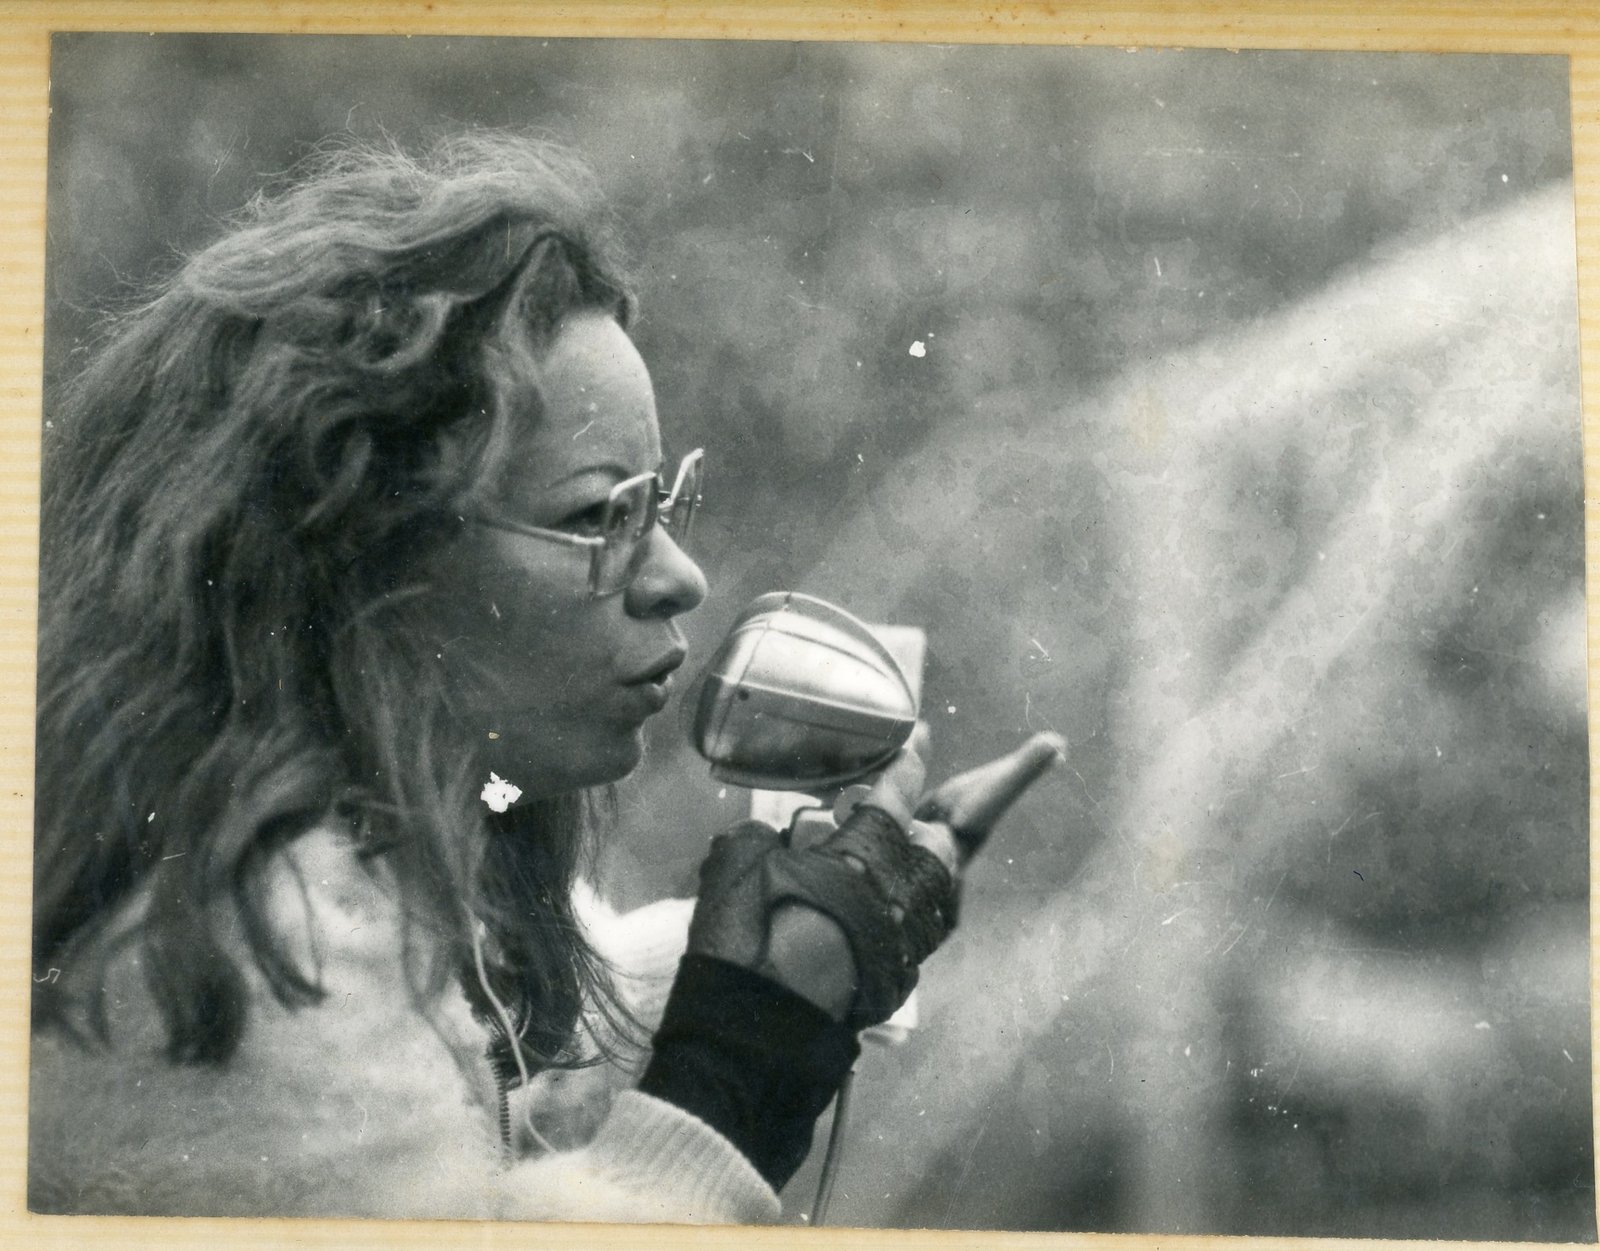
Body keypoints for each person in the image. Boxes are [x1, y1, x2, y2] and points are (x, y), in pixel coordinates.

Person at [28, 133, 1057, 1224]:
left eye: (663, 503)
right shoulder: (250, 954)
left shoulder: (337, 867)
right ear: (362, 555)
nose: (680, 577)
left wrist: (806, 938)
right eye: (601, 515)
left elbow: (542, 1061)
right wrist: (745, 1055)